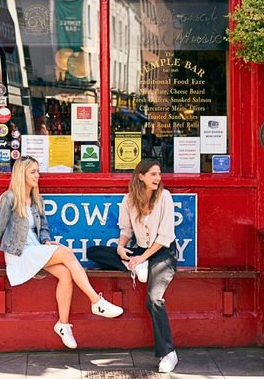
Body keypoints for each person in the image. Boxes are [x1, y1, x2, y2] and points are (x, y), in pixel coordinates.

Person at [0, 156, 123, 349]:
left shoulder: (36, 199)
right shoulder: (9, 198)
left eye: (38, 171)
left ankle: (63, 325)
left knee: (65, 273)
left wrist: (45, 240)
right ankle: (96, 301)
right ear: (21, 174)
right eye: (33, 172)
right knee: (66, 253)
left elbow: (43, 227)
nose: (38, 175)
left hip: (34, 247)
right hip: (19, 253)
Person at [87, 159, 178, 373]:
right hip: (139, 254)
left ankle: (168, 353)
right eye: (153, 174)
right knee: (94, 252)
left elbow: (165, 236)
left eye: (159, 174)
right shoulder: (128, 200)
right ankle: (133, 267)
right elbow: (126, 230)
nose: (158, 178)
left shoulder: (165, 197)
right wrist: (120, 248)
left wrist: (142, 257)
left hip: (162, 253)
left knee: (154, 299)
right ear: (141, 177)